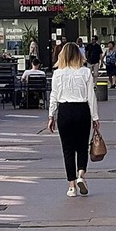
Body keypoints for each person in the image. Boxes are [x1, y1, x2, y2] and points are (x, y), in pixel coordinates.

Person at [48, 43, 100, 197]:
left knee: (68, 149)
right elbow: (91, 96)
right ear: (79, 55)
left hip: (65, 111)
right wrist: (95, 117)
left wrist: (51, 115)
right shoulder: (85, 72)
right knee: (82, 146)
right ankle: (81, 175)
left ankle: (71, 186)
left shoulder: (57, 74)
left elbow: (54, 96)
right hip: (82, 110)